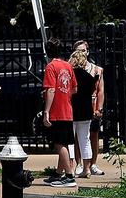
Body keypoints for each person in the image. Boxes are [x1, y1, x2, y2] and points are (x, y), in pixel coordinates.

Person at [41, 37, 77, 188]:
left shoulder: (51, 67)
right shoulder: (67, 66)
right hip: (67, 109)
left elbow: (50, 89)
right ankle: (58, 172)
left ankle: (69, 176)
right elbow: (75, 88)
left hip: (56, 110)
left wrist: (46, 111)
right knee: (64, 143)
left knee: (58, 143)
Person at [73, 39, 106, 176]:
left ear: (88, 51)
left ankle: (93, 164)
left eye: (84, 50)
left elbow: (100, 90)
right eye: (79, 50)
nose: (82, 53)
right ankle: (79, 164)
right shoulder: (73, 69)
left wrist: (99, 108)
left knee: (93, 135)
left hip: (91, 105)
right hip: (79, 106)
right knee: (77, 137)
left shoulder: (96, 69)